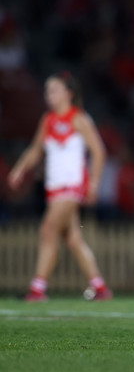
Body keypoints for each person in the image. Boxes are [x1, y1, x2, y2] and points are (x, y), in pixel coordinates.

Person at [8, 71, 112, 302]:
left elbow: (99, 152)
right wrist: (19, 169)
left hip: (72, 187)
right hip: (54, 189)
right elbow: (35, 150)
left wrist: (94, 184)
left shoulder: (79, 118)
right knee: (73, 239)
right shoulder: (48, 120)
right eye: (47, 91)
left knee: (47, 230)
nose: (49, 95)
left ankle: (37, 289)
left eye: (54, 90)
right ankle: (100, 287)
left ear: (69, 93)